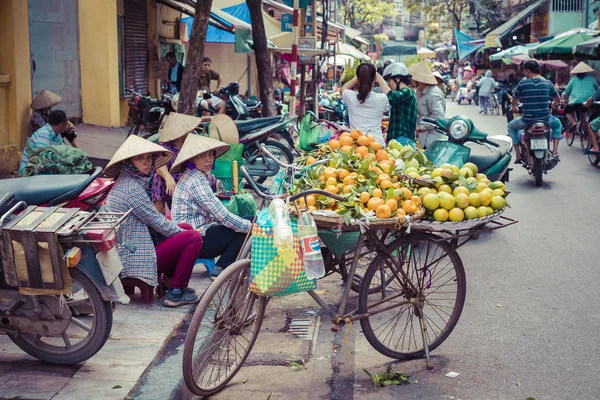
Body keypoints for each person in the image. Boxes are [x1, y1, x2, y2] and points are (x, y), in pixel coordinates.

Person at [104, 135, 203, 307]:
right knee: (193, 237)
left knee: (185, 228)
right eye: (140, 158)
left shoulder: (128, 181)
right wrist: (186, 235)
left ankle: (168, 282)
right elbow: (158, 222)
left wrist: (182, 232)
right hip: (134, 257)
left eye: (149, 157)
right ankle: (176, 291)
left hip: (129, 248)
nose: (147, 162)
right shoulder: (131, 188)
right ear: (128, 162)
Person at [171, 134, 252, 279]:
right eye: (202, 156)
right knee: (246, 228)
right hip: (193, 240)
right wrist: (251, 228)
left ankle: (223, 265)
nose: (208, 159)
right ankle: (222, 268)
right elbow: (222, 216)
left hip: (194, 234)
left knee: (248, 220)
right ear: (192, 159)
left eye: (210, 154)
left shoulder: (195, 175)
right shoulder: (196, 181)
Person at [508, 60, 562, 163]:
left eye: (524, 70)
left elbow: (515, 99)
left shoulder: (523, 83)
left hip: (527, 121)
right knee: (557, 125)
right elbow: (557, 100)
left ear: (528, 70)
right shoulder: (547, 82)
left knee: (511, 126)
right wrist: (554, 105)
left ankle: (518, 155)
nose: (523, 73)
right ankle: (555, 152)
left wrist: (514, 107)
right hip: (546, 119)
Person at [152, 113, 201, 214]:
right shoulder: (166, 146)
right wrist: (168, 177)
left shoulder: (191, 145)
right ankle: (158, 215)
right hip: (171, 180)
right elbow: (160, 165)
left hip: (188, 179)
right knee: (158, 178)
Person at [339, 63, 389, 145]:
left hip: (357, 145)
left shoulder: (350, 96)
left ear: (358, 80)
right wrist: (380, 79)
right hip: (377, 145)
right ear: (374, 79)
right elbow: (390, 95)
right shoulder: (382, 98)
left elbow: (343, 89)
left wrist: (357, 77)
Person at [19, 110, 76, 175]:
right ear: (60, 125)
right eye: (66, 124)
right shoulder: (44, 134)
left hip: (43, 166)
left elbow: (63, 151)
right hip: (30, 169)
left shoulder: (57, 135)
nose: (67, 126)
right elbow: (42, 158)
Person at [378, 62, 418, 148]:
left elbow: (392, 97)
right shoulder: (404, 95)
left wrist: (380, 80)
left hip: (403, 140)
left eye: (389, 81)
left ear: (398, 79)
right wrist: (387, 118)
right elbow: (401, 114)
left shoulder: (408, 92)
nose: (389, 84)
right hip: (397, 140)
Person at [410, 61, 446, 148]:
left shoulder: (433, 94)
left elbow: (439, 116)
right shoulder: (419, 90)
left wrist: (422, 127)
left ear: (418, 79)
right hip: (422, 136)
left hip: (431, 138)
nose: (411, 79)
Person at [563, 61, 598, 133]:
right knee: (588, 112)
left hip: (576, 102)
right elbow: (597, 89)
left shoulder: (574, 79)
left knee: (566, 110)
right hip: (590, 102)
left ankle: (573, 122)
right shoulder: (591, 78)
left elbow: (567, 91)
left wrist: (564, 96)